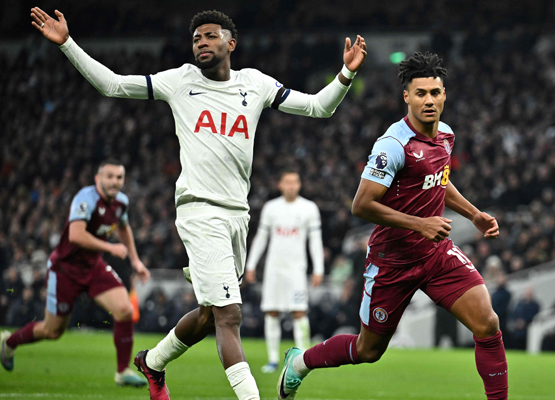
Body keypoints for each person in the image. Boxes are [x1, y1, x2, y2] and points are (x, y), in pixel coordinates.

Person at [28, 6, 366, 400]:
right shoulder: (180, 81)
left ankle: (152, 362)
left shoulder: (254, 84)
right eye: (195, 38)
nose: (201, 43)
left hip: (237, 214)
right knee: (230, 315)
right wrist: (67, 43)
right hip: (199, 210)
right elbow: (114, 85)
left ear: (230, 43)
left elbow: (318, 107)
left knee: (208, 315)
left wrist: (346, 74)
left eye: (209, 36)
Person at [277, 52, 508, 400]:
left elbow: (439, 182)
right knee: (368, 350)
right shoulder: (393, 145)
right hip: (393, 261)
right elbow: (362, 204)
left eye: (435, 92)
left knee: (488, 323)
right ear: (407, 97)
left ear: (445, 94)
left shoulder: (445, 135)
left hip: (437, 255)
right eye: (420, 93)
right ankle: (301, 363)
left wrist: (472, 214)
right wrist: (419, 224)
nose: (428, 100)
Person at [0, 159, 151, 387]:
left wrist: (136, 260)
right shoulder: (86, 198)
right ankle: (9, 342)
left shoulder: (121, 202)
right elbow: (76, 235)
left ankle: (122, 371)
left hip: (93, 266)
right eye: (109, 176)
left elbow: (124, 228)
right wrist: (110, 248)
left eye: (119, 177)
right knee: (52, 331)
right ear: (97, 179)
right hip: (65, 270)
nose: (114, 182)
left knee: (124, 310)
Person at [245, 170, 325, 373]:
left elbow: (315, 241)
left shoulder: (309, 208)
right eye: (287, 182)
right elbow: (262, 238)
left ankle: (304, 358)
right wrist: (251, 264)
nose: (291, 185)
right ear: (280, 184)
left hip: (296, 270)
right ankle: (272, 360)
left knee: (299, 311)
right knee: (272, 311)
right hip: (274, 270)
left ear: (299, 185)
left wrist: (318, 268)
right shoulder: (271, 208)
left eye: (295, 182)